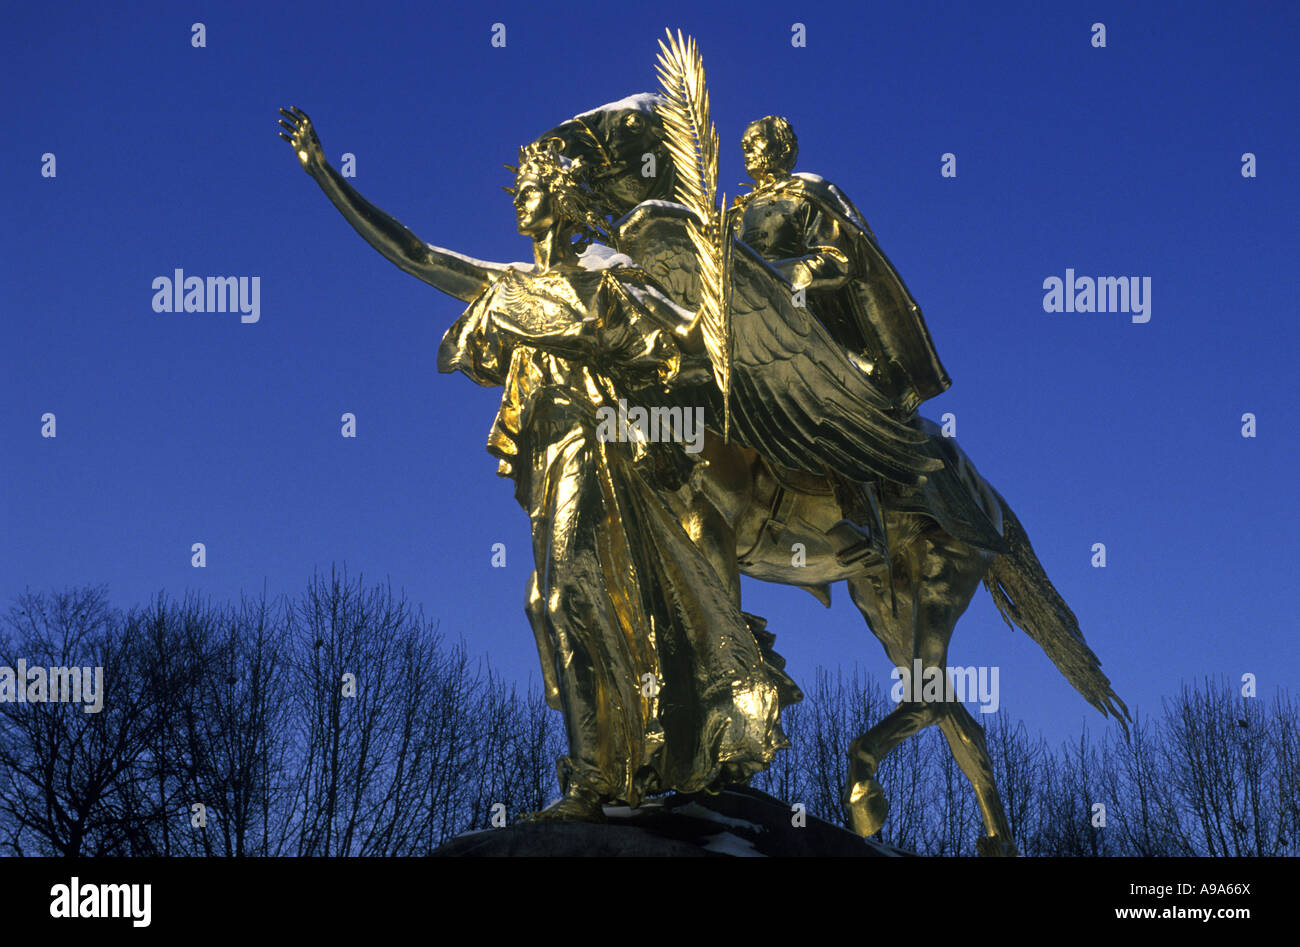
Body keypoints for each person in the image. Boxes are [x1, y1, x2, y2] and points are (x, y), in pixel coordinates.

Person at [278, 107, 798, 820]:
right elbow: (419, 255)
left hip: (598, 446)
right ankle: (623, 756)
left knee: (562, 601)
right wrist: (325, 175)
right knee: (554, 606)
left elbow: (685, 340)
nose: (518, 199)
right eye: (518, 187)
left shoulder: (606, 278)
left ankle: (596, 777)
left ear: (562, 196)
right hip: (548, 462)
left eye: (530, 186)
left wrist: (714, 267)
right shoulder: (512, 284)